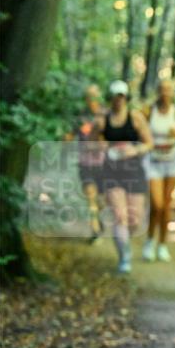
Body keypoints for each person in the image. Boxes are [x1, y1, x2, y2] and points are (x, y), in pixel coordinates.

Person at [96, 80, 153, 273]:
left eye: (121, 96)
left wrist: (134, 149)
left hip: (134, 171)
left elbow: (149, 143)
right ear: (110, 98)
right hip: (111, 172)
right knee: (119, 216)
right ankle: (124, 257)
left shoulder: (136, 118)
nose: (118, 100)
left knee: (134, 220)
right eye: (115, 96)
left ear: (126, 97)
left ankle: (126, 243)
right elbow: (91, 143)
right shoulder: (102, 120)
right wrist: (101, 146)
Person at [141, 80, 175, 262]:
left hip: (172, 163)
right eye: (162, 90)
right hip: (153, 162)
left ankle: (162, 245)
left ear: (172, 92)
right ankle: (149, 241)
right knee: (157, 204)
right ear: (158, 92)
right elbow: (138, 132)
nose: (165, 93)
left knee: (166, 205)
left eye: (168, 90)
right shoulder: (148, 112)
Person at [65, 84, 107, 242]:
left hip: (104, 164)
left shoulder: (107, 115)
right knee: (90, 197)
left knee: (101, 201)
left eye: (94, 96)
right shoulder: (81, 116)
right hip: (85, 164)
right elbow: (70, 134)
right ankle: (95, 231)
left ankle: (99, 221)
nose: (91, 100)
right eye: (89, 97)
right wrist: (66, 138)